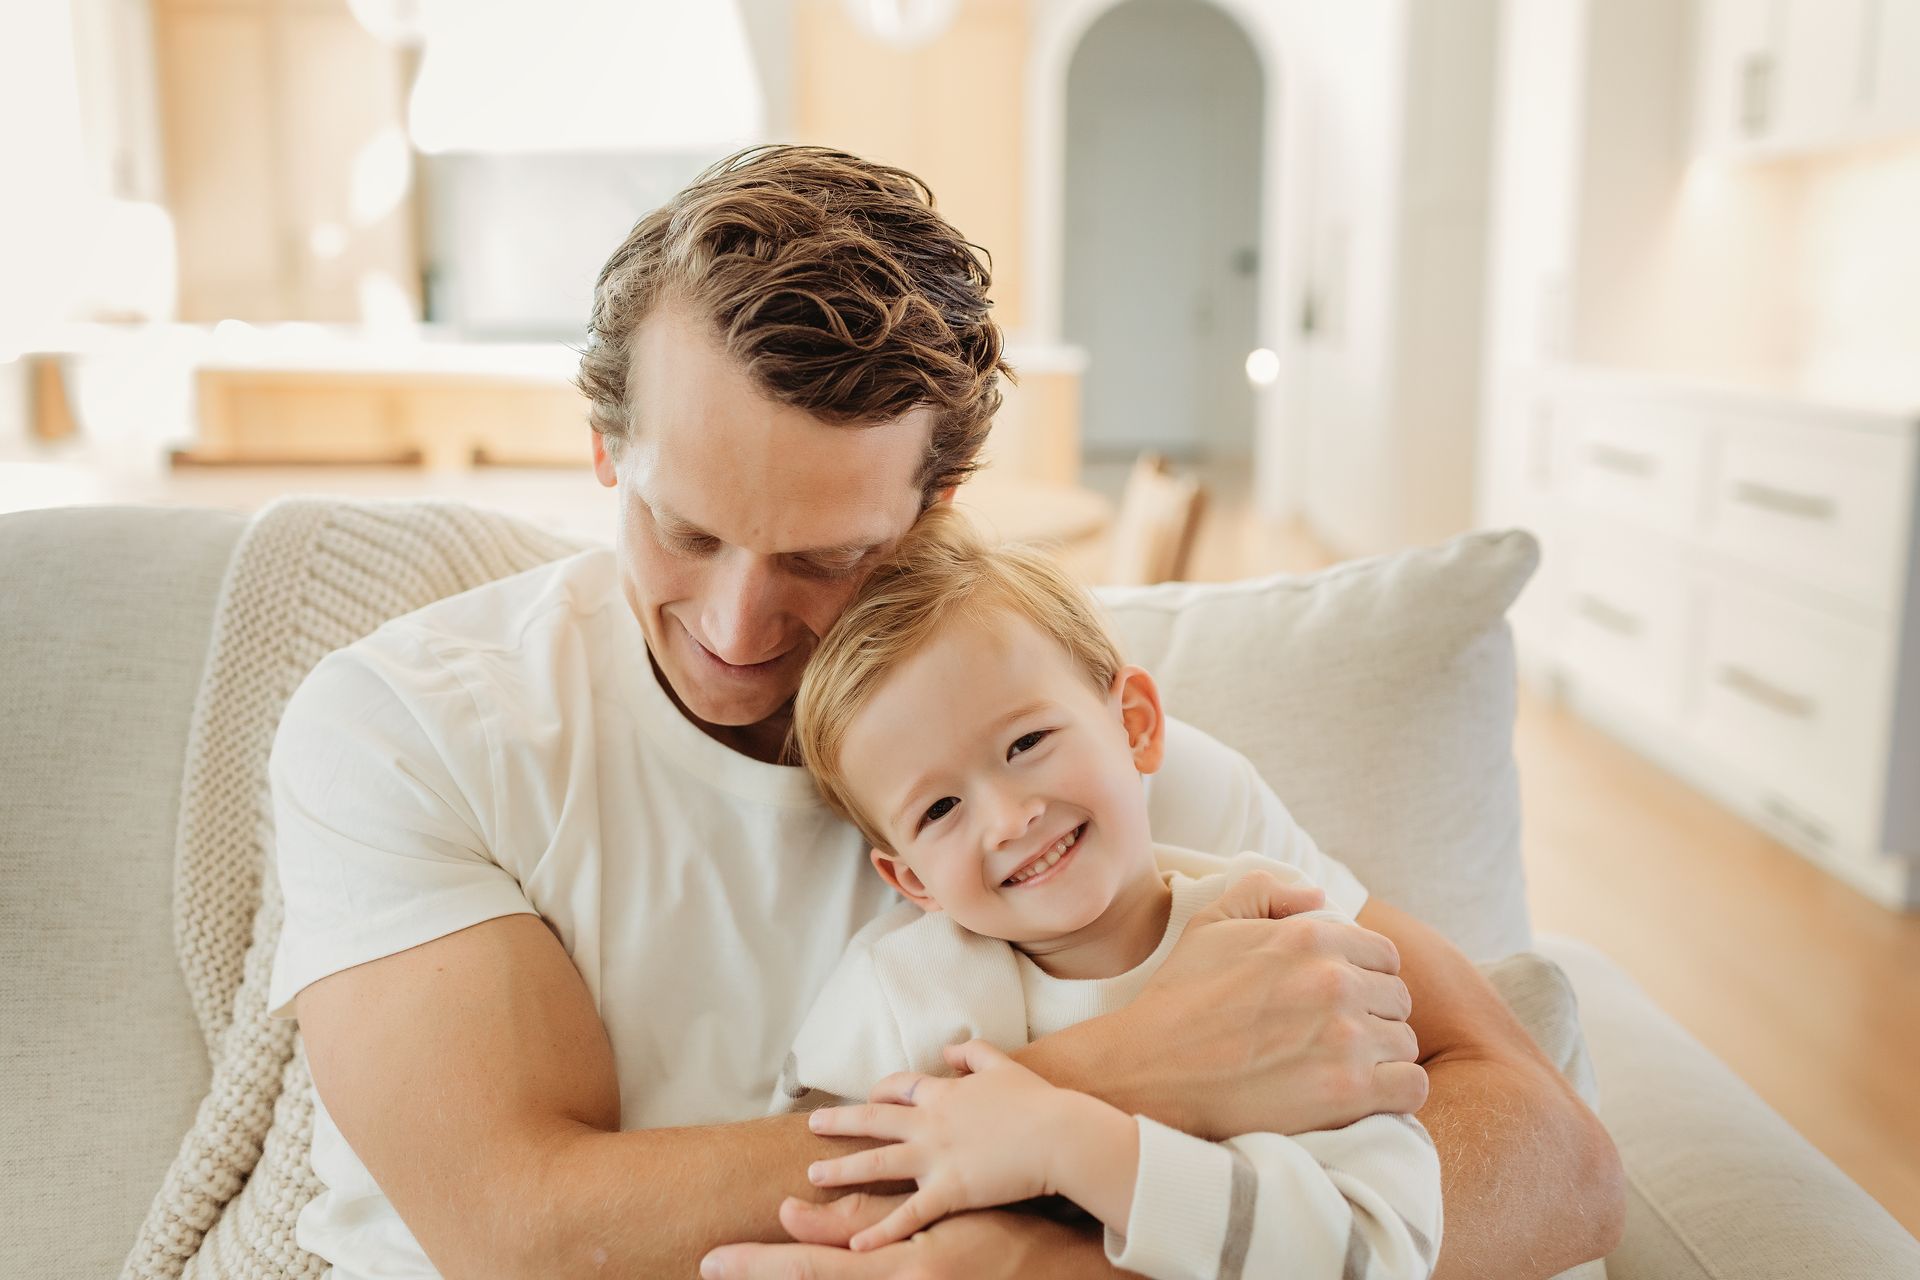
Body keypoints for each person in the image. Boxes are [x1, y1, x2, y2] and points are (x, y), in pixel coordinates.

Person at [272, 144, 1622, 1279]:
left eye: (821, 557)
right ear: (604, 449)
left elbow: (1559, 1168)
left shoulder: (1080, 796)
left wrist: (1047, 1263)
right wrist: (1126, 1071)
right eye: (684, 529)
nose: (738, 629)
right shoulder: (412, 731)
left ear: (935, 513)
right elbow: (524, 1231)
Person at [775, 506, 1443, 1279]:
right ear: (913, 879)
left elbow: (1379, 1253)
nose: (1008, 819)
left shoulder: (1278, 935)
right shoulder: (899, 990)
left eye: (1026, 744)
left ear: (1134, 725)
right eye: (940, 809)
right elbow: (806, 1196)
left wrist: (1075, 1146)